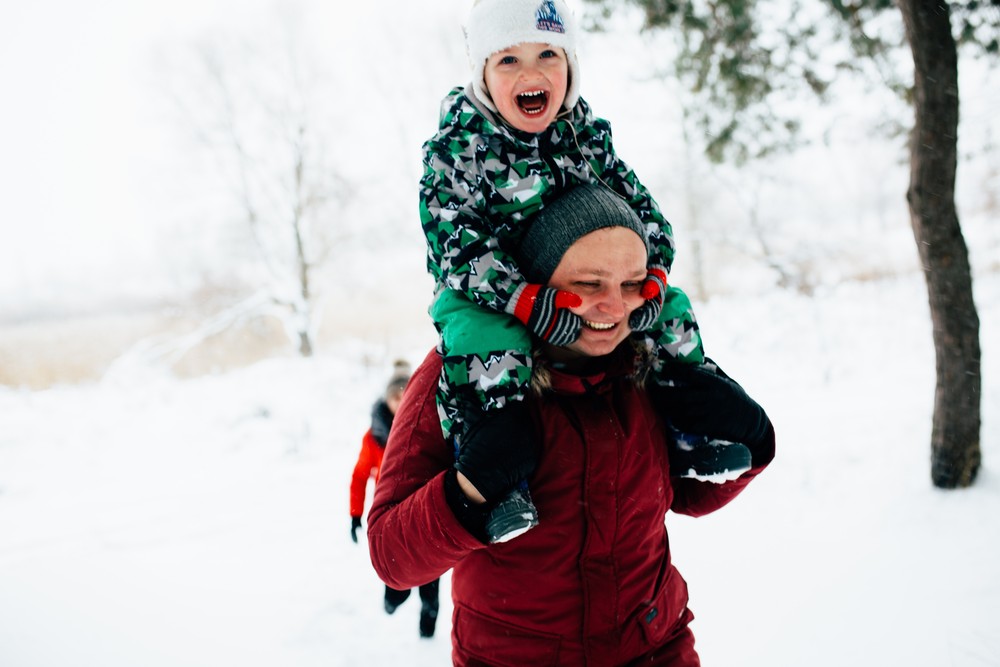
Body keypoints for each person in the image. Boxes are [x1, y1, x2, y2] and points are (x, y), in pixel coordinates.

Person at [370, 183, 775, 665]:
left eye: (632, 284)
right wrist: (469, 492)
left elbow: (686, 494)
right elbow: (391, 556)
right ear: (538, 282)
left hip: (654, 647)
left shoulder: (649, 364)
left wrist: (751, 445)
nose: (615, 306)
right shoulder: (461, 379)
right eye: (588, 284)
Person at [420, 0, 750, 543]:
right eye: (508, 61)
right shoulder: (457, 150)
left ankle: (690, 426)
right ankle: (500, 474)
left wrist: (653, 273)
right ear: (481, 73)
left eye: (548, 53)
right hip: (484, 289)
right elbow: (454, 245)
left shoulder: (586, 136)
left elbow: (643, 210)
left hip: (588, 282)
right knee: (485, 342)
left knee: (672, 312)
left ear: (570, 65)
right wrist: (521, 298)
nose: (531, 73)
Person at [349, 360, 440, 639]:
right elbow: (360, 475)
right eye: (395, 396)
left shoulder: (426, 425)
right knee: (397, 577)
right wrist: (355, 514)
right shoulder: (374, 436)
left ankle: (427, 629)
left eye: (405, 394)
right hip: (391, 517)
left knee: (430, 580)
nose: (400, 401)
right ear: (387, 398)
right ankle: (392, 601)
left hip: (424, 514)